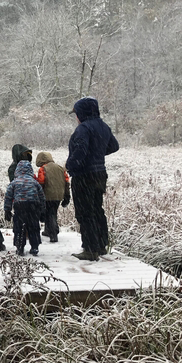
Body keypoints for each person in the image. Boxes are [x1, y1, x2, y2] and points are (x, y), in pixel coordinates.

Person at [66, 97, 119, 261]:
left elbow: (80, 150)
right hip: (100, 174)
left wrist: (70, 165)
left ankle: (90, 249)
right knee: (97, 210)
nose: (76, 117)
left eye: (76, 113)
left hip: (84, 176)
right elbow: (114, 146)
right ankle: (101, 245)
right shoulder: (103, 127)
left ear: (82, 113)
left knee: (85, 212)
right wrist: (97, 154)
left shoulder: (83, 128)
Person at [4, 160, 46, 256]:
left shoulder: (14, 182)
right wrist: (43, 211)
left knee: (19, 227)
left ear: (17, 170)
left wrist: (7, 210)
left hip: (19, 206)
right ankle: (35, 246)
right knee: (33, 226)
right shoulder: (35, 182)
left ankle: (20, 247)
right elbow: (42, 197)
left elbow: (8, 196)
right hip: (33, 206)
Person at [34, 152, 71, 243]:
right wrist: (67, 196)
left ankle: (53, 234)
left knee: (50, 214)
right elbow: (66, 182)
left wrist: (39, 196)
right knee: (52, 212)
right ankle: (48, 231)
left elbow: (41, 183)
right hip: (59, 195)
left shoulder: (43, 169)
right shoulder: (60, 168)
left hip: (48, 195)